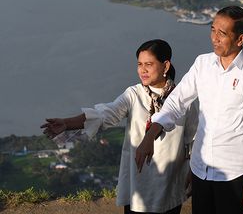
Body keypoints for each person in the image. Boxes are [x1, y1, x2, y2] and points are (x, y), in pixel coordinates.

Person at [136, 6, 243, 214]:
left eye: (222, 33)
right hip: (201, 170)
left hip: (234, 173)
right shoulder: (203, 63)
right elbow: (176, 101)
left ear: (240, 39)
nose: (214, 38)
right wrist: (150, 135)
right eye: (212, 30)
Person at [41, 39, 198, 214]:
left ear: (165, 65)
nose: (142, 70)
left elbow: (194, 139)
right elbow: (104, 114)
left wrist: (193, 171)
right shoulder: (134, 94)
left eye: (149, 64)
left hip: (170, 182)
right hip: (138, 182)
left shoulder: (183, 99)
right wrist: (67, 123)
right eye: (139, 64)